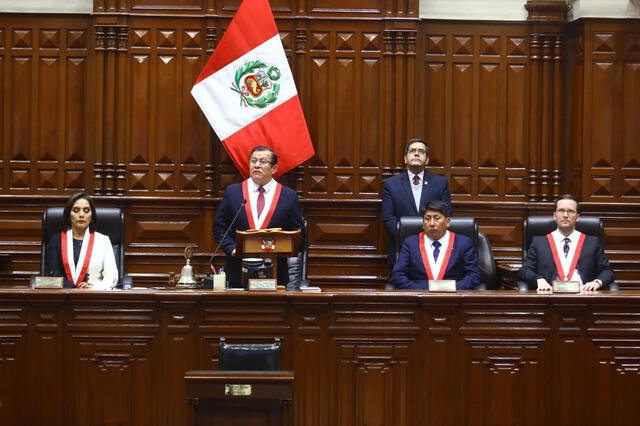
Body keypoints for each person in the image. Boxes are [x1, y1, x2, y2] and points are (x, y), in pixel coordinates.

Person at [214, 146, 304, 287]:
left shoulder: (288, 196)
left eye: (262, 161)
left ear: (274, 168)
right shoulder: (233, 192)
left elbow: (299, 236)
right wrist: (232, 249)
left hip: (275, 276)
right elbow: (219, 228)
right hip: (238, 274)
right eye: (253, 161)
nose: (256, 165)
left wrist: (281, 249)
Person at [518, 194, 614, 292]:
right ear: (554, 215)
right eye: (561, 210)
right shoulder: (539, 242)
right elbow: (524, 270)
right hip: (550, 295)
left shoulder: (592, 242)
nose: (565, 215)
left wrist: (597, 282)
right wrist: (538, 279)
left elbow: (607, 271)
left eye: (571, 211)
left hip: (584, 295)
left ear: (577, 217)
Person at [382, 138, 451, 265]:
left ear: (427, 159)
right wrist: (411, 241)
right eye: (412, 150)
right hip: (402, 248)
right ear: (405, 158)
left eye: (421, 151)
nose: (417, 153)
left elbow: (446, 215)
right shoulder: (391, 184)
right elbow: (388, 218)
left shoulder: (440, 183)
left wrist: (428, 239)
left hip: (433, 248)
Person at [390, 200, 480, 290]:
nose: (432, 223)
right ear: (423, 223)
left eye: (437, 218)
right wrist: (420, 290)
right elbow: (397, 274)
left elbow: (473, 275)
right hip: (419, 296)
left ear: (447, 222)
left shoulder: (463, 243)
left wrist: (452, 289)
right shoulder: (410, 243)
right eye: (427, 218)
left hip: (453, 297)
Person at [45, 192, 118, 289]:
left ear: (92, 215)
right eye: (76, 210)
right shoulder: (56, 240)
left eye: (86, 210)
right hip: (64, 296)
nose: (81, 214)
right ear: (68, 215)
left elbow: (111, 276)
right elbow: (53, 275)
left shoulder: (103, 241)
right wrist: (76, 288)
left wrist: (94, 288)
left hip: (95, 295)